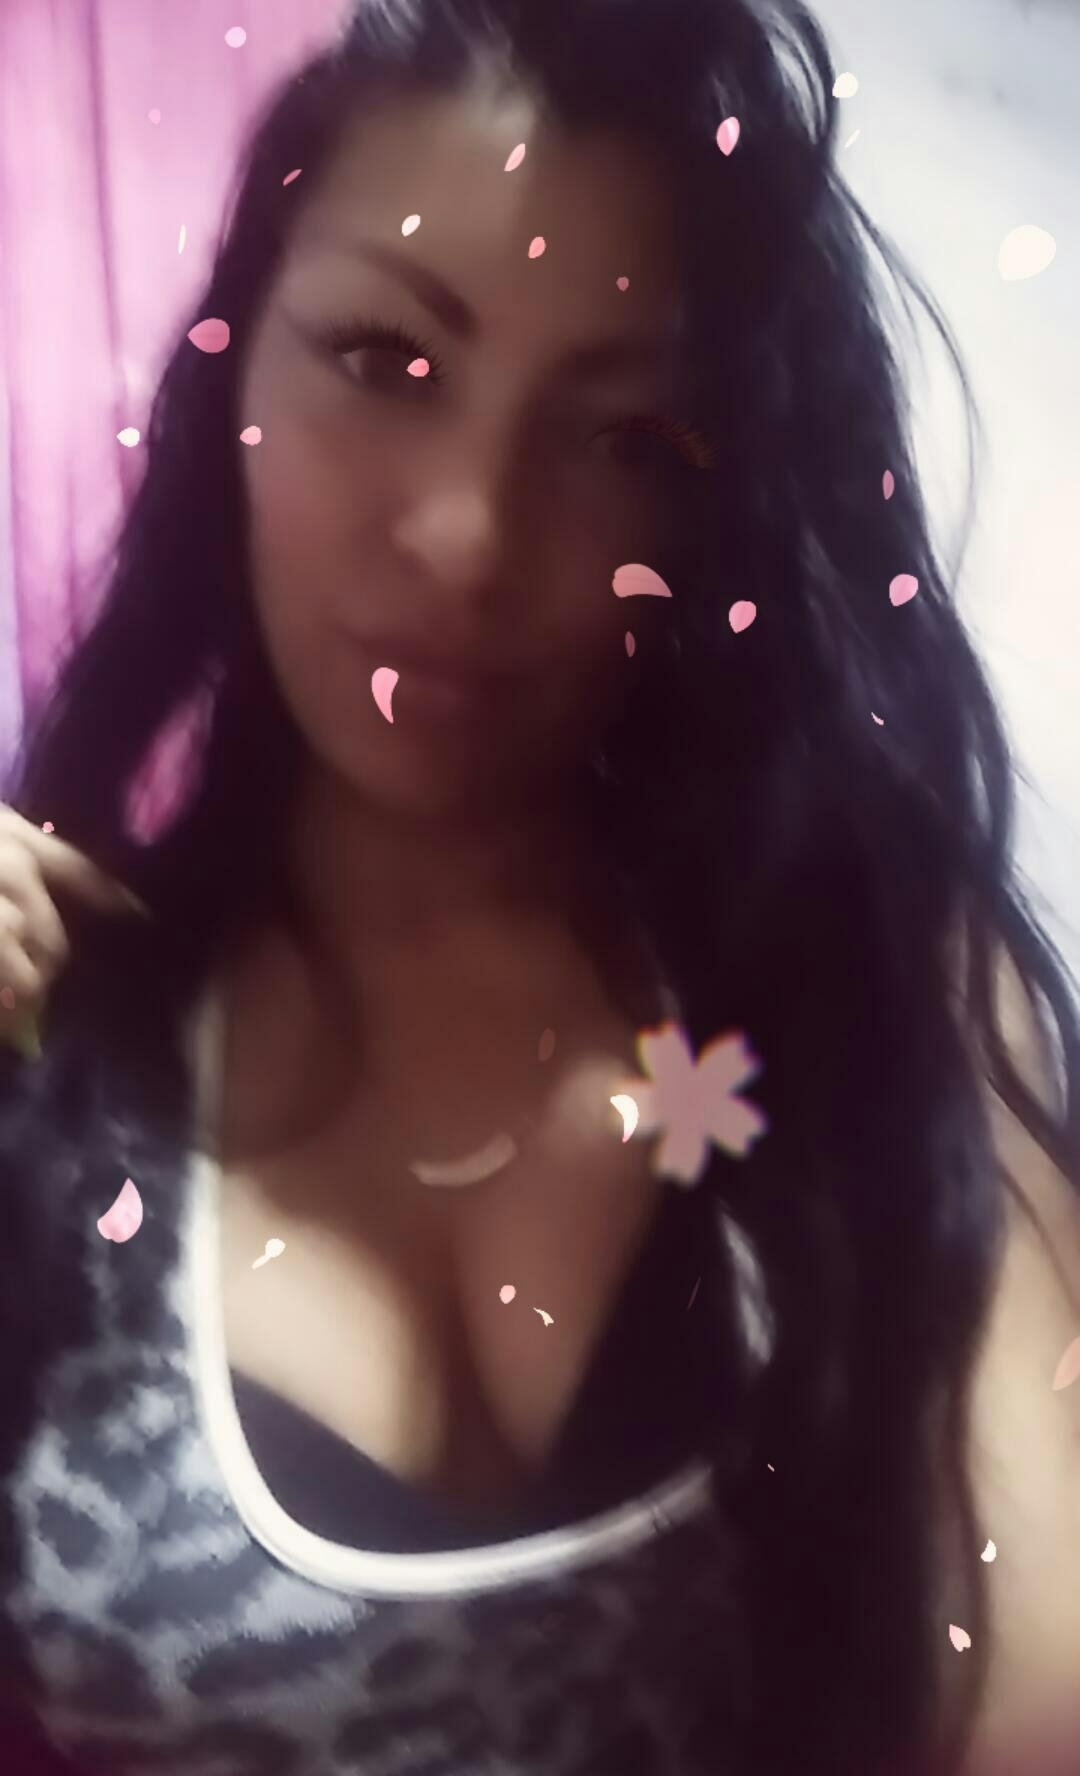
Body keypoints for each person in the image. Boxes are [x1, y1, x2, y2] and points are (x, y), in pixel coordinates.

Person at [1, 0, 1078, 1771]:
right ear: (235, 370)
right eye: (384, 359)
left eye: (627, 437)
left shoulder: (868, 994)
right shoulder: (60, 1037)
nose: (469, 537)